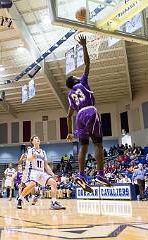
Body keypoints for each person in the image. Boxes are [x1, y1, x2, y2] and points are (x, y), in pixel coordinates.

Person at [66, 35, 111, 192]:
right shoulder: (82, 83)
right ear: (75, 81)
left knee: (83, 147)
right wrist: (84, 46)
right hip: (90, 111)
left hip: (79, 117)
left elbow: (68, 115)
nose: (79, 76)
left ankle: (81, 175)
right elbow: (88, 63)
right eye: (76, 76)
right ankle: (100, 174)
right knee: (98, 144)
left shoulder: (70, 96)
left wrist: (70, 132)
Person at [17, 135, 65, 210]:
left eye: (38, 138)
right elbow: (28, 159)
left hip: (41, 172)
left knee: (53, 183)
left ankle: (53, 202)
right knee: (32, 184)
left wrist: (52, 174)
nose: (37, 139)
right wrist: (32, 157)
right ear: (32, 142)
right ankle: (20, 199)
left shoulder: (43, 152)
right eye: (35, 138)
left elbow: (46, 165)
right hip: (33, 170)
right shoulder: (31, 150)